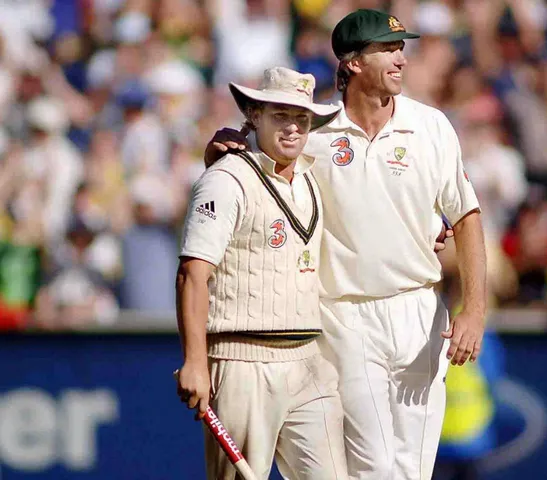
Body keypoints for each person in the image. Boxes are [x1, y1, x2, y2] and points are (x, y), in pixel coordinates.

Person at [206, 9, 487, 479]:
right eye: (387, 50)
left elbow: (466, 216)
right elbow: (251, 166)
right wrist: (218, 150)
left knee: (412, 471)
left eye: (401, 49)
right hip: (346, 314)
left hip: (420, 311)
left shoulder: (431, 126)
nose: (401, 59)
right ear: (353, 62)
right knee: (372, 467)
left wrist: (474, 309)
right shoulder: (315, 131)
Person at [175, 67, 348, 479]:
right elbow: (192, 274)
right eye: (280, 115)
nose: (292, 128)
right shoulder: (225, 179)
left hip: (307, 357)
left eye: (302, 118)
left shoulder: (310, 177)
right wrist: (195, 361)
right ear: (254, 115)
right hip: (242, 360)